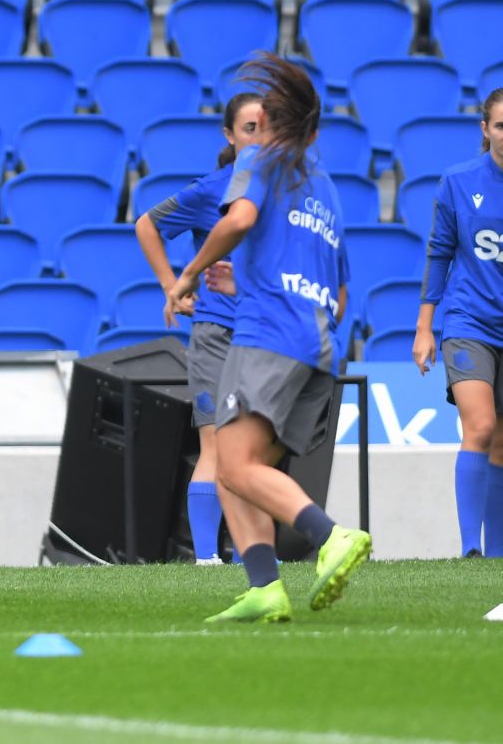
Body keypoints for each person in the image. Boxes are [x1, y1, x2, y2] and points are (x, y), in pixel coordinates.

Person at [166, 54, 368, 623]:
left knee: (235, 463)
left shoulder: (256, 161)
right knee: (238, 462)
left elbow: (237, 221)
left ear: (271, 128)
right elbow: (343, 287)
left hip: (266, 336)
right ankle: (264, 587)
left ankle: (332, 536)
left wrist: (189, 274)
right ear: (314, 131)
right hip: (318, 343)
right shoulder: (324, 187)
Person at [134, 92, 263, 565]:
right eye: (249, 127)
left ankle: (253, 553)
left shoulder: (282, 192)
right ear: (230, 135)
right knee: (215, 443)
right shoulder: (213, 189)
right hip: (215, 333)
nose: (260, 136)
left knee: (253, 450)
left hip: (263, 336)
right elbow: (146, 225)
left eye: (267, 127)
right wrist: (174, 285)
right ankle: (207, 559)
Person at [414, 86, 503, 558]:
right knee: (481, 426)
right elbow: (439, 253)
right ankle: (470, 550)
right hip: (469, 321)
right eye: (501, 125)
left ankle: (495, 557)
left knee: (502, 443)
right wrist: (425, 327)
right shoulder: (458, 180)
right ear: (485, 129)